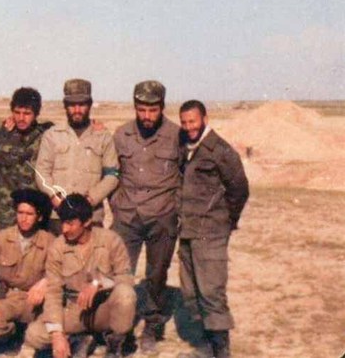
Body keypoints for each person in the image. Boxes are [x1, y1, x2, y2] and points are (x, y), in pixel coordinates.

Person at [109, 80, 181, 353]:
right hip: (127, 217)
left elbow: (186, 175)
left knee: (156, 273)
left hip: (162, 216)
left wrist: (175, 208)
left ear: (162, 107)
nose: (147, 116)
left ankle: (152, 325)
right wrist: (117, 205)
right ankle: (120, 329)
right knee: (120, 273)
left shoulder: (176, 135)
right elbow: (111, 172)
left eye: (152, 110)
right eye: (141, 110)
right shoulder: (122, 134)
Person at [22, 194, 136, 358]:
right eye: (63, 223)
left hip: (103, 309)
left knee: (125, 294)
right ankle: (80, 339)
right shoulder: (58, 247)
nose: (64, 229)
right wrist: (57, 335)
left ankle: (115, 342)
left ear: (87, 221)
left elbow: (126, 277)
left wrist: (98, 283)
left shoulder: (110, 240)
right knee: (34, 334)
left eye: (70, 223)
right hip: (75, 311)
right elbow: (54, 293)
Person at [177, 100, 249, 358]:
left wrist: (226, 221)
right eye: (184, 122)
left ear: (205, 119)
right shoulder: (184, 145)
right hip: (187, 231)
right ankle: (206, 346)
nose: (188, 127)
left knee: (211, 292)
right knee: (191, 290)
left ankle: (221, 350)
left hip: (211, 233)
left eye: (193, 121)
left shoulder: (220, 149)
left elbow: (239, 188)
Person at [34, 79, 119, 234]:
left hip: (91, 217)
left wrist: (90, 199)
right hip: (57, 217)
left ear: (90, 105)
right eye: (72, 105)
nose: (77, 110)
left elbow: (112, 175)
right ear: (65, 106)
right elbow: (42, 172)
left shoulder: (103, 137)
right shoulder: (52, 135)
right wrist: (54, 197)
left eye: (82, 104)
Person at [0, 189, 55, 346]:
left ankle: (22, 332)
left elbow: (60, 272)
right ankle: (14, 332)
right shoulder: (1, 239)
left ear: (39, 217)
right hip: (6, 299)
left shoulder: (50, 241)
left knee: (50, 330)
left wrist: (45, 283)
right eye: (20, 213)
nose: (24, 218)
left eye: (29, 214)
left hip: (34, 303)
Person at [0, 87, 54, 231]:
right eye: (17, 112)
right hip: (6, 211)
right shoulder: (1, 132)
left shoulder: (47, 133)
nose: (21, 118)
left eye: (27, 113)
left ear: (37, 113)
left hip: (36, 211)